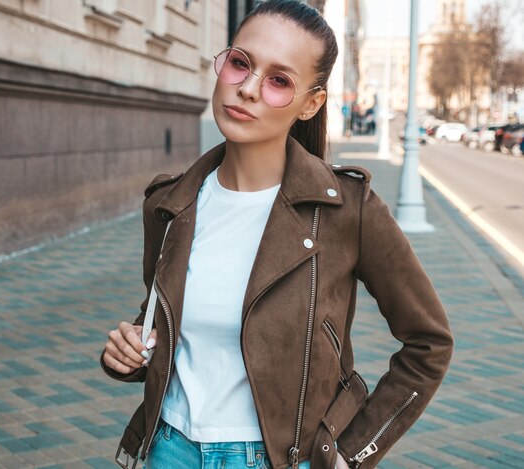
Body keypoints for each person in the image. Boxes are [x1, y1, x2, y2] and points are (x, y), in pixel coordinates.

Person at [100, 1, 453, 468]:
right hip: (169, 448)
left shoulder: (346, 209)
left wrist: (350, 453)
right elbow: (158, 323)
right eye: (240, 63)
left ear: (311, 104)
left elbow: (428, 343)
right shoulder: (168, 204)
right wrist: (127, 354)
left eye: (278, 80)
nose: (247, 88)